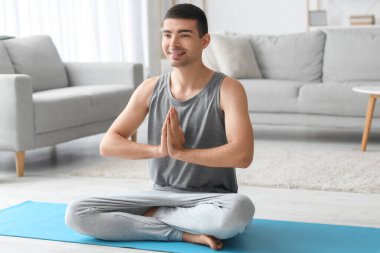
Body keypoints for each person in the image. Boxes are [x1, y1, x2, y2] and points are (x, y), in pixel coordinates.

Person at [65, 3, 254, 250]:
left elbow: (242, 155)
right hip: (160, 194)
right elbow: (109, 144)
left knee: (239, 212)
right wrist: (159, 151)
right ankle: (180, 232)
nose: (173, 43)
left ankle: (156, 216)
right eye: (167, 34)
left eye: (184, 34)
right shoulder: (150, 87)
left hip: (213, 199)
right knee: (77, 212)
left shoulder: (228, 89)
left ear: (204, 40)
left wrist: (182, 153)